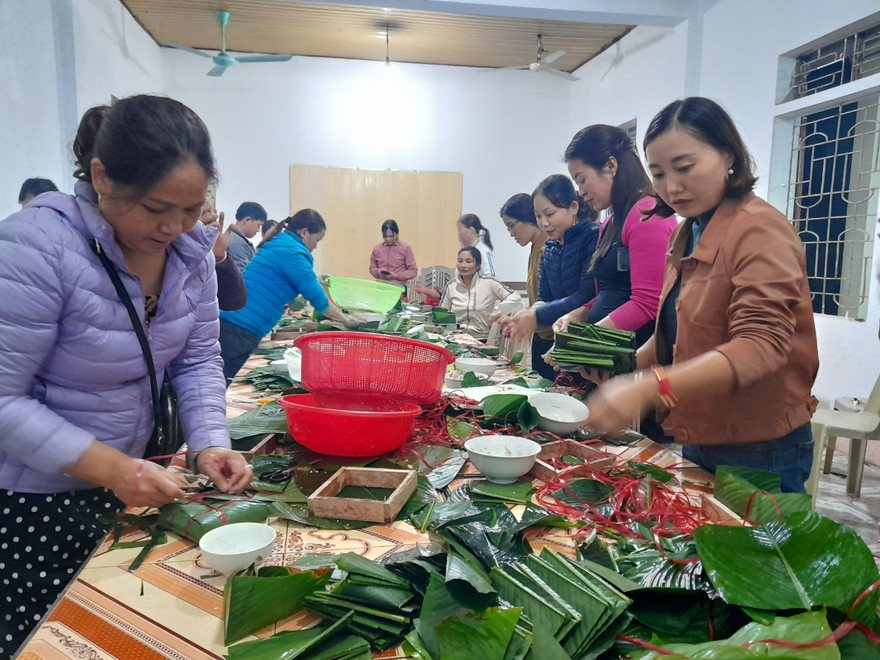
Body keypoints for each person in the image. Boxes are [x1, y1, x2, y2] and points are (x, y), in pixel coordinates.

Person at [0, 95, 251, 657]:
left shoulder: (188, 253)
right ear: (101, 177)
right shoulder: (37, 245)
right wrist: (113, 468)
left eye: (192, 209)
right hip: (39, 499)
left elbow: (198, 358)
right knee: (49, 639)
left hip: (134, 482)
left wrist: (210, 441)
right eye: (157, 207)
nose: (174, 227)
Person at [582, 97, 819, 493]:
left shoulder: (759, 230)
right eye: (657, 173)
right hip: (699, 428)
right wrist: (625, 365)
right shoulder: (687, 230)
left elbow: (760, 345)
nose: (672, 187)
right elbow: (680, 331)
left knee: (751, 553)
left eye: (685, 167)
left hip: (757, 443)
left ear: (728, 155)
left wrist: (646, 387)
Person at [553, 125, 678, 348]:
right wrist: (581, 312)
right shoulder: (610, 223)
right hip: (607, 354)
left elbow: (648, 302)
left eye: (582, 180)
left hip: (635, 357)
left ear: (611, 166)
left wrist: (582, 341)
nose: (580, 192)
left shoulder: (647, 214)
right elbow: (611, 292)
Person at [218, 208, 358, 383]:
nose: (315, 246)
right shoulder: (292, 252)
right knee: (222, 380)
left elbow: (295, 284)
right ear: (305, 232)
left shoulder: (282, 244)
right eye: (317, 240)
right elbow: (319, 300)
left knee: (222, 378)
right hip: (241, 326)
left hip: (235, 322)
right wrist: (347, 321)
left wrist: (318, 282)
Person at [499, 175, 599, 380]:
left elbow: (585, 296)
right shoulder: (551, 248)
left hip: (582, 341)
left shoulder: (592, 237)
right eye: (538, 216)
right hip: (551, 337)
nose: (544, 223)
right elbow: (544, 296)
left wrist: (535, 316)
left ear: (573, 207)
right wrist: (525, 315)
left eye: (550, 214)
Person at [438, 246, 521, 338]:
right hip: (455, 338)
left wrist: (498, 310)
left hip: (482, 338)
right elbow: (442, 313)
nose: (463, 265)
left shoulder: (489, 283)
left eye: (468, 261)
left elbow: (515, 296)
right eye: (460, 261)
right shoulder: (451, 286)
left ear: (478, 265)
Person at [200, 203, 247, 311]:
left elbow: (234, 301)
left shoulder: (214, 247)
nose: (209, 218)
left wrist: (220, 259)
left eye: (210, 212)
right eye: (202, 213)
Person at [369, 219, 418, 285]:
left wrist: (396, 276)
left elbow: (413, 271)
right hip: (381, 286)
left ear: (397, 234)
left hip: (399, 287)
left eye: (391, 236)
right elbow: (372, 268)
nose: (388, 239)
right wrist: (378, 272)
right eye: (385, 236)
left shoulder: (405, 248)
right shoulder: (377, 249)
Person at [227, 201, 266, 272]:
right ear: (247, 220)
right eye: (258, 225)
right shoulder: (236, 243)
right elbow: (243, 274)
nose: (258, 230)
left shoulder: (239, 240)